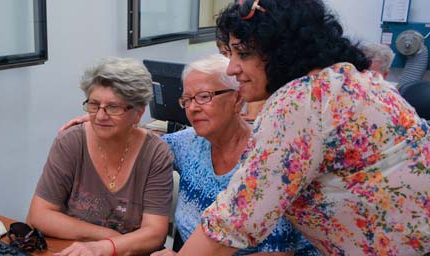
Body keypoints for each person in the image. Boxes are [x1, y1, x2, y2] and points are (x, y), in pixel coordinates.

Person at [179, 0, 430, 255]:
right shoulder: (348, 78)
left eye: (243, 53)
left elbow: (232, 223)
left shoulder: (302, 101)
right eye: (229, 54)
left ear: (282, 48)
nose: (232, 68)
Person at [58, 55, 319, 256]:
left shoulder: (268, 156)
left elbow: (280, 251)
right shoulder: (188, 143)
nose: (193, 108)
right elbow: (144, 142)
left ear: (238, 99)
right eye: (187, 99)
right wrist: (106, 122)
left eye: (204, 97)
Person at [28, 57, 174, 256]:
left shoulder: (156, 153)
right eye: (94, 105)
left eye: (113, 107)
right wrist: (107, 236)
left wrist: (104, 247)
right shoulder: (71, 141)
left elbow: (154, 233)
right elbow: (39, 215)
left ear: (138, 113)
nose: (100, 116)